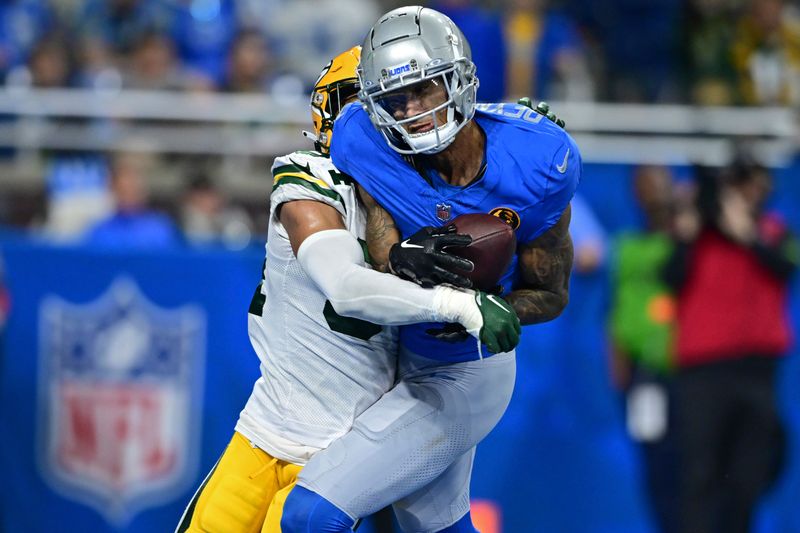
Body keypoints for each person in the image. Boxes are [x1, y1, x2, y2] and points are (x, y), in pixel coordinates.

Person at [176, 45, 521, 533]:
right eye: (376, 103)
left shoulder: (423, 191)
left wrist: (514, 130)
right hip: (264, 429)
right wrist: (455, 303)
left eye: (401, 103)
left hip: (348, 449)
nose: (396, 116)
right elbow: (344, 285)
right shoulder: (311, 177)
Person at [281, 6, 580, 532]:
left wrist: (482, 307)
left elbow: (550, 293)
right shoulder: (362, 139)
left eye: (425, 90)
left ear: (459, 80)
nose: (413, 110)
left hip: (466, 369)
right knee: (436, 526)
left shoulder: (537, 162)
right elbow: (381, 247)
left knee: (310, 516)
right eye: (396, 99)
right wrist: (400, 261)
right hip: (395, 357)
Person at [665, 157, 797, 533]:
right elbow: (671, 278)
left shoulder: (771, 230)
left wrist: (748, 234)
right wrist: (688, 232)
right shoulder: (696, 233)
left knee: (748, 475)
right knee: (699, 472)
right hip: (703, 371)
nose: (751, 193)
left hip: (758, 370)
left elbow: (786, 268)